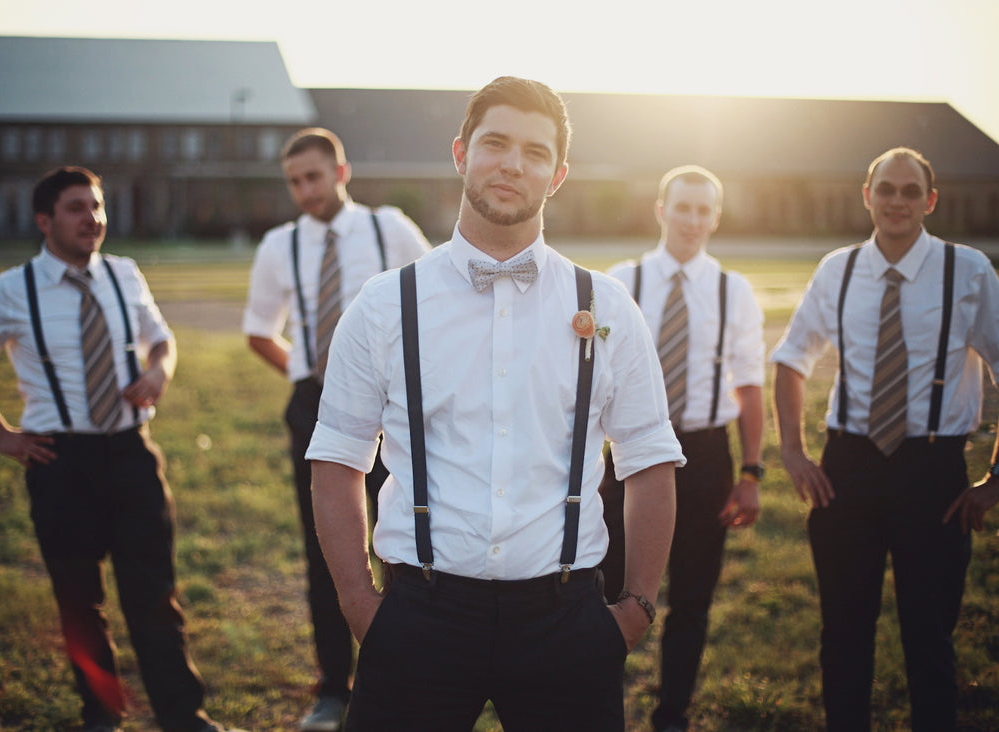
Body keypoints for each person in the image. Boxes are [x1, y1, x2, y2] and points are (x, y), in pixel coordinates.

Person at [306, 75, 684, 731]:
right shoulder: (382, 305)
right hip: (419, 615)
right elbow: (337, 461)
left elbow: (649, 461)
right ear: (461, 153)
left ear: (558, 175)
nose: (513, 163)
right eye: (496, 143)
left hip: (566, 620)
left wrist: (636, 609)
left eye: (535, 152)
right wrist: (360, 605)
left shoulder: (607, 306)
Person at [0, 167, 245, 732]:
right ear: (44, 221)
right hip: (60, 462)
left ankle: (183, 715)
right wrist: (1, 434)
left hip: (130, 453)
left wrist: (158, 372)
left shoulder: (123, 274)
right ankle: (101, 714)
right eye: (77, 208)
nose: (92, 218)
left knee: (155, 596)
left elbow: (161, 338)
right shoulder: (14, 289)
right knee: (79, 601)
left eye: (97, 207)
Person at [771, 147, 999, 731]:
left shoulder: (967, 270)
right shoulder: (838, 269)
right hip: (849, 468)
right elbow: (792, 359)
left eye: (909, 190)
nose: (897, 200)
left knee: (929, 640)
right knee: (844, 635)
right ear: (867, 195)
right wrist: (794, 452)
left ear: (930, 200)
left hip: (934, 473)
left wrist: (997, 478)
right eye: (886, 189)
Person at [242, 127, 430, 731]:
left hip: (395, 407)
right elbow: (258, 329)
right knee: (329, 547)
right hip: (316, 407)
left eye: (314, 177)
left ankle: (410, 673)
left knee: (401, 538)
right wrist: (304, 369)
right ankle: (334, 687)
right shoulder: (279, 245)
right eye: (294, 182)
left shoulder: (390, 229)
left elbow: (437, 301)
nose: (304, 191)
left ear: (341, 171)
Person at [604, 165, 765, 731]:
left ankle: (672, 713)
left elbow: (749, 384)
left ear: (715, 217)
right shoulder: (621, 282)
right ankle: (599, 706)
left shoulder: (732, 290)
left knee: (692, 597)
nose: (692, 220)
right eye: (683, 207)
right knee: (602, 591)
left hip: (704, 456)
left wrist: (751, 472)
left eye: (704, 210)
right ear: (660, 209)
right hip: (626, 453)